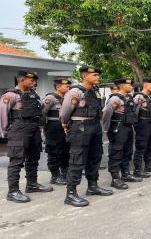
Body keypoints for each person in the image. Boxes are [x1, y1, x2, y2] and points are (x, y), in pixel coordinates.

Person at [60, 66, 113, 207]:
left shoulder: (95, 91)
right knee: (77, 160)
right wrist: (66, 124)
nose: (98, 77)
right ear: (85, 76)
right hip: (80, 128)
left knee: (95, 157)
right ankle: (70, 194)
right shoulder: (75, 91)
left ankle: (92, 186)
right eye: (95, 75)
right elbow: (64, 113)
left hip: (95, 127)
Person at [0, 70, 53, 203]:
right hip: (19, 129)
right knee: (16, 160)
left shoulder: (33, 94)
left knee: (33, 157)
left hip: (33, 128)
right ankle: (13, 191)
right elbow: (1, 115)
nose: (34, 83)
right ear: (21, 80)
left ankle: (32, 184)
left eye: (35, 80)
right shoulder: (10, 95)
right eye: (31, 80)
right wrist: (5, 132)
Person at [102, 79, 142, 190]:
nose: (131, 86)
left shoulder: (128, 98)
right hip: (118, 128)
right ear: (121, 86)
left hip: (128, 127)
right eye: (129, 84)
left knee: (128, 151)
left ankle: (126, 174)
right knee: (116, 152)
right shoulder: (115, 99)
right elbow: (106, 114)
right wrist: (106, 130)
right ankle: (115, 178)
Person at [43, 79, 72, 186]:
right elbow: (42, 113)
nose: (68, 88)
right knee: (54, 152)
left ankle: (65, 173)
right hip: (53, 128)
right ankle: (55, 176)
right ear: (58, 87)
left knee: (65, 151)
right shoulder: (50, 98)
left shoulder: (66, 98)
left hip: (65, 128)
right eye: (66, 86)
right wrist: (43, 128)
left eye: (69, 86)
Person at [133, 78, 151, 178]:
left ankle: (148, 166)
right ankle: (137, 170)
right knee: (141, 146)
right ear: (145, 85)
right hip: (143, 123)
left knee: (150, 145)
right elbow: (134, 112)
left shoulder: (150, 97)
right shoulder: (139, 96)